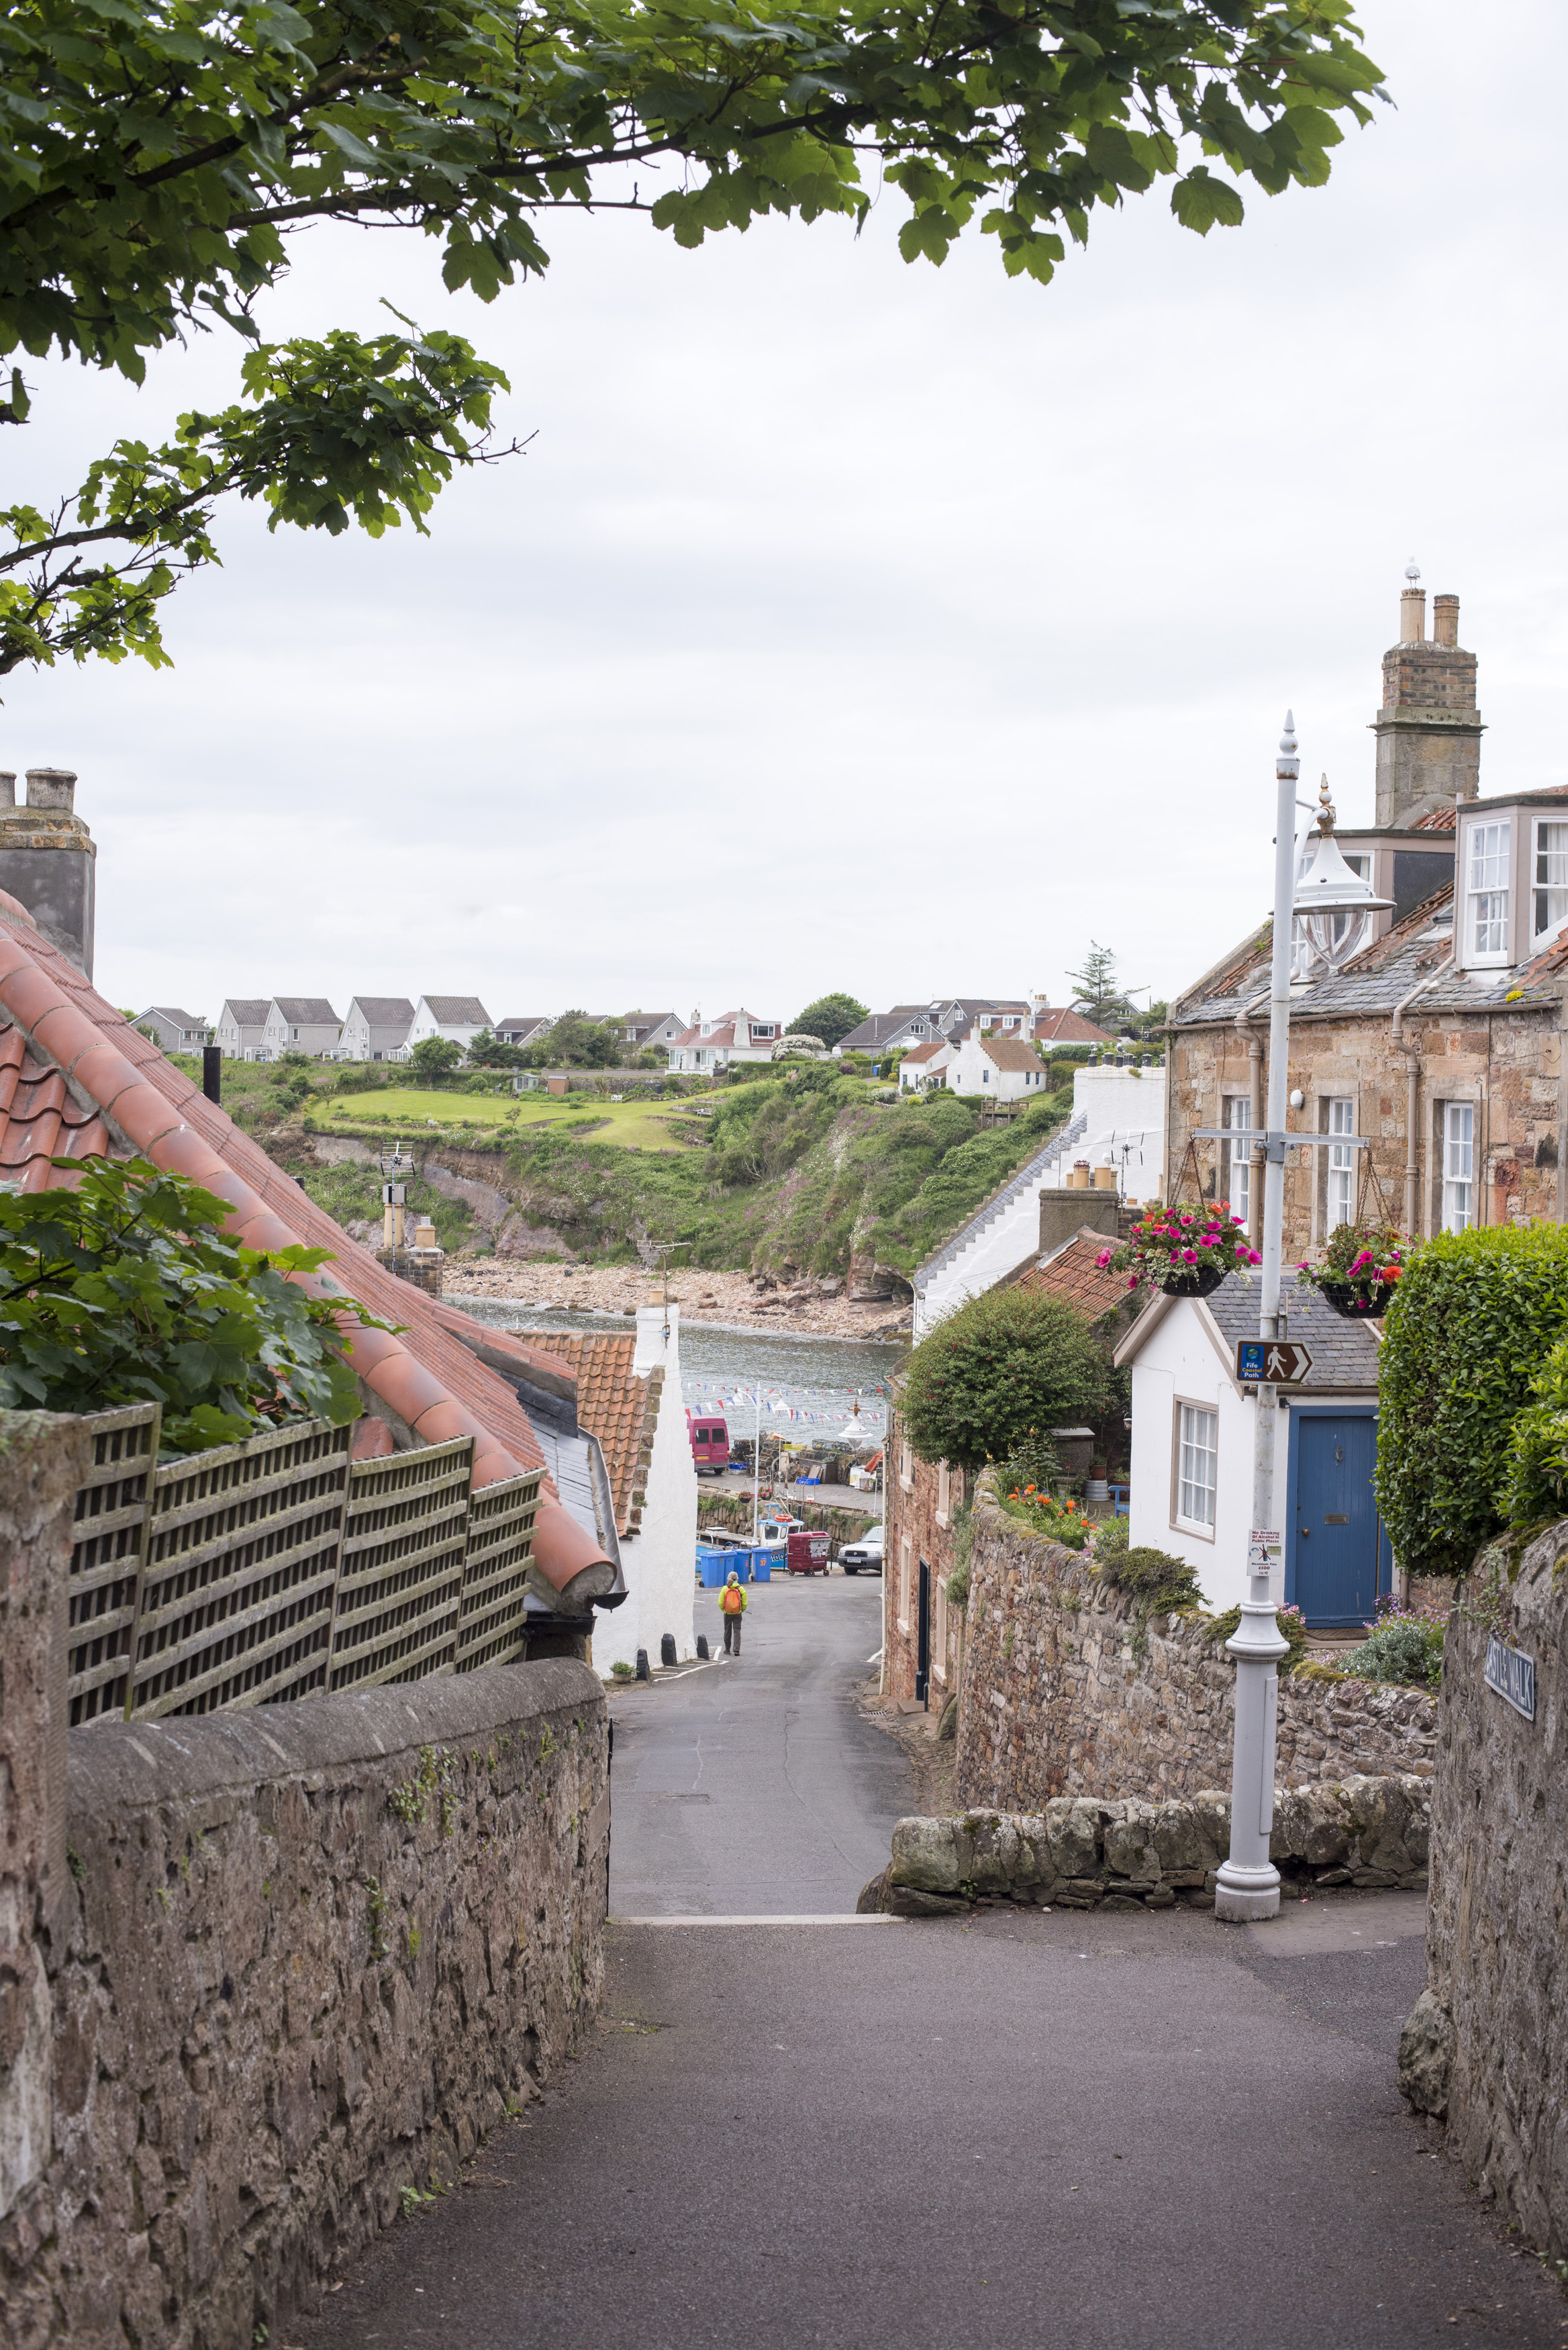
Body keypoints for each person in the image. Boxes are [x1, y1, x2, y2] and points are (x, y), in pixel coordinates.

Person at [720, 1568, 748, 1655]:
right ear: (737, 1579)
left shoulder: (725, 1589)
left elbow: (720, 1602)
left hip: (727, 1613)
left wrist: (725, 1610)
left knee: (727, 1631)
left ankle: (727, 1650)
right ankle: (736, 1650)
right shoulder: (741, 1589)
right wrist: (741, 1610)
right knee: (737, 1631)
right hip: (737, 1613)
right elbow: (745, 1602)